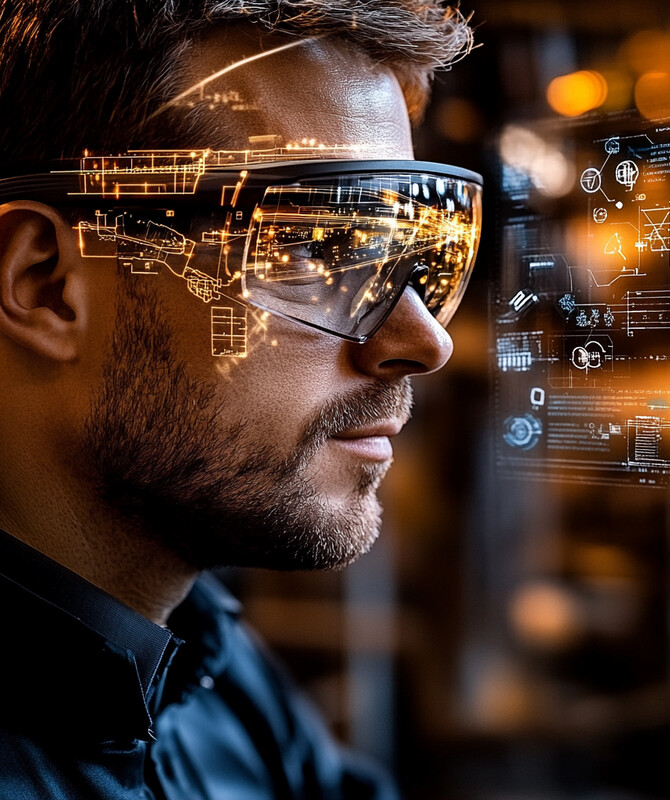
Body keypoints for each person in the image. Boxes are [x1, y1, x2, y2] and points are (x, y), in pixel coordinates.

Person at [0, 1, 480, 797]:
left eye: (417, 255)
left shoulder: (199, 654)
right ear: (46, 284)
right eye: (311, 245)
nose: (425, 342)